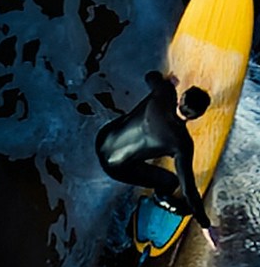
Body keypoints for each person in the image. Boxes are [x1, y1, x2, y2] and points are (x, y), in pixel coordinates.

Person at [94, 66, 220, 247]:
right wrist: (205, 225)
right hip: (115, 168)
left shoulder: (165, 92)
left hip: (103, 139)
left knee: (146, 105)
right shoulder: (182, 144)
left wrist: (167, 81)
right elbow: (189, 189)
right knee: (171, 182)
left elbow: (150, 76)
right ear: (197, 117)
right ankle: (162, 198)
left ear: (181, 98)